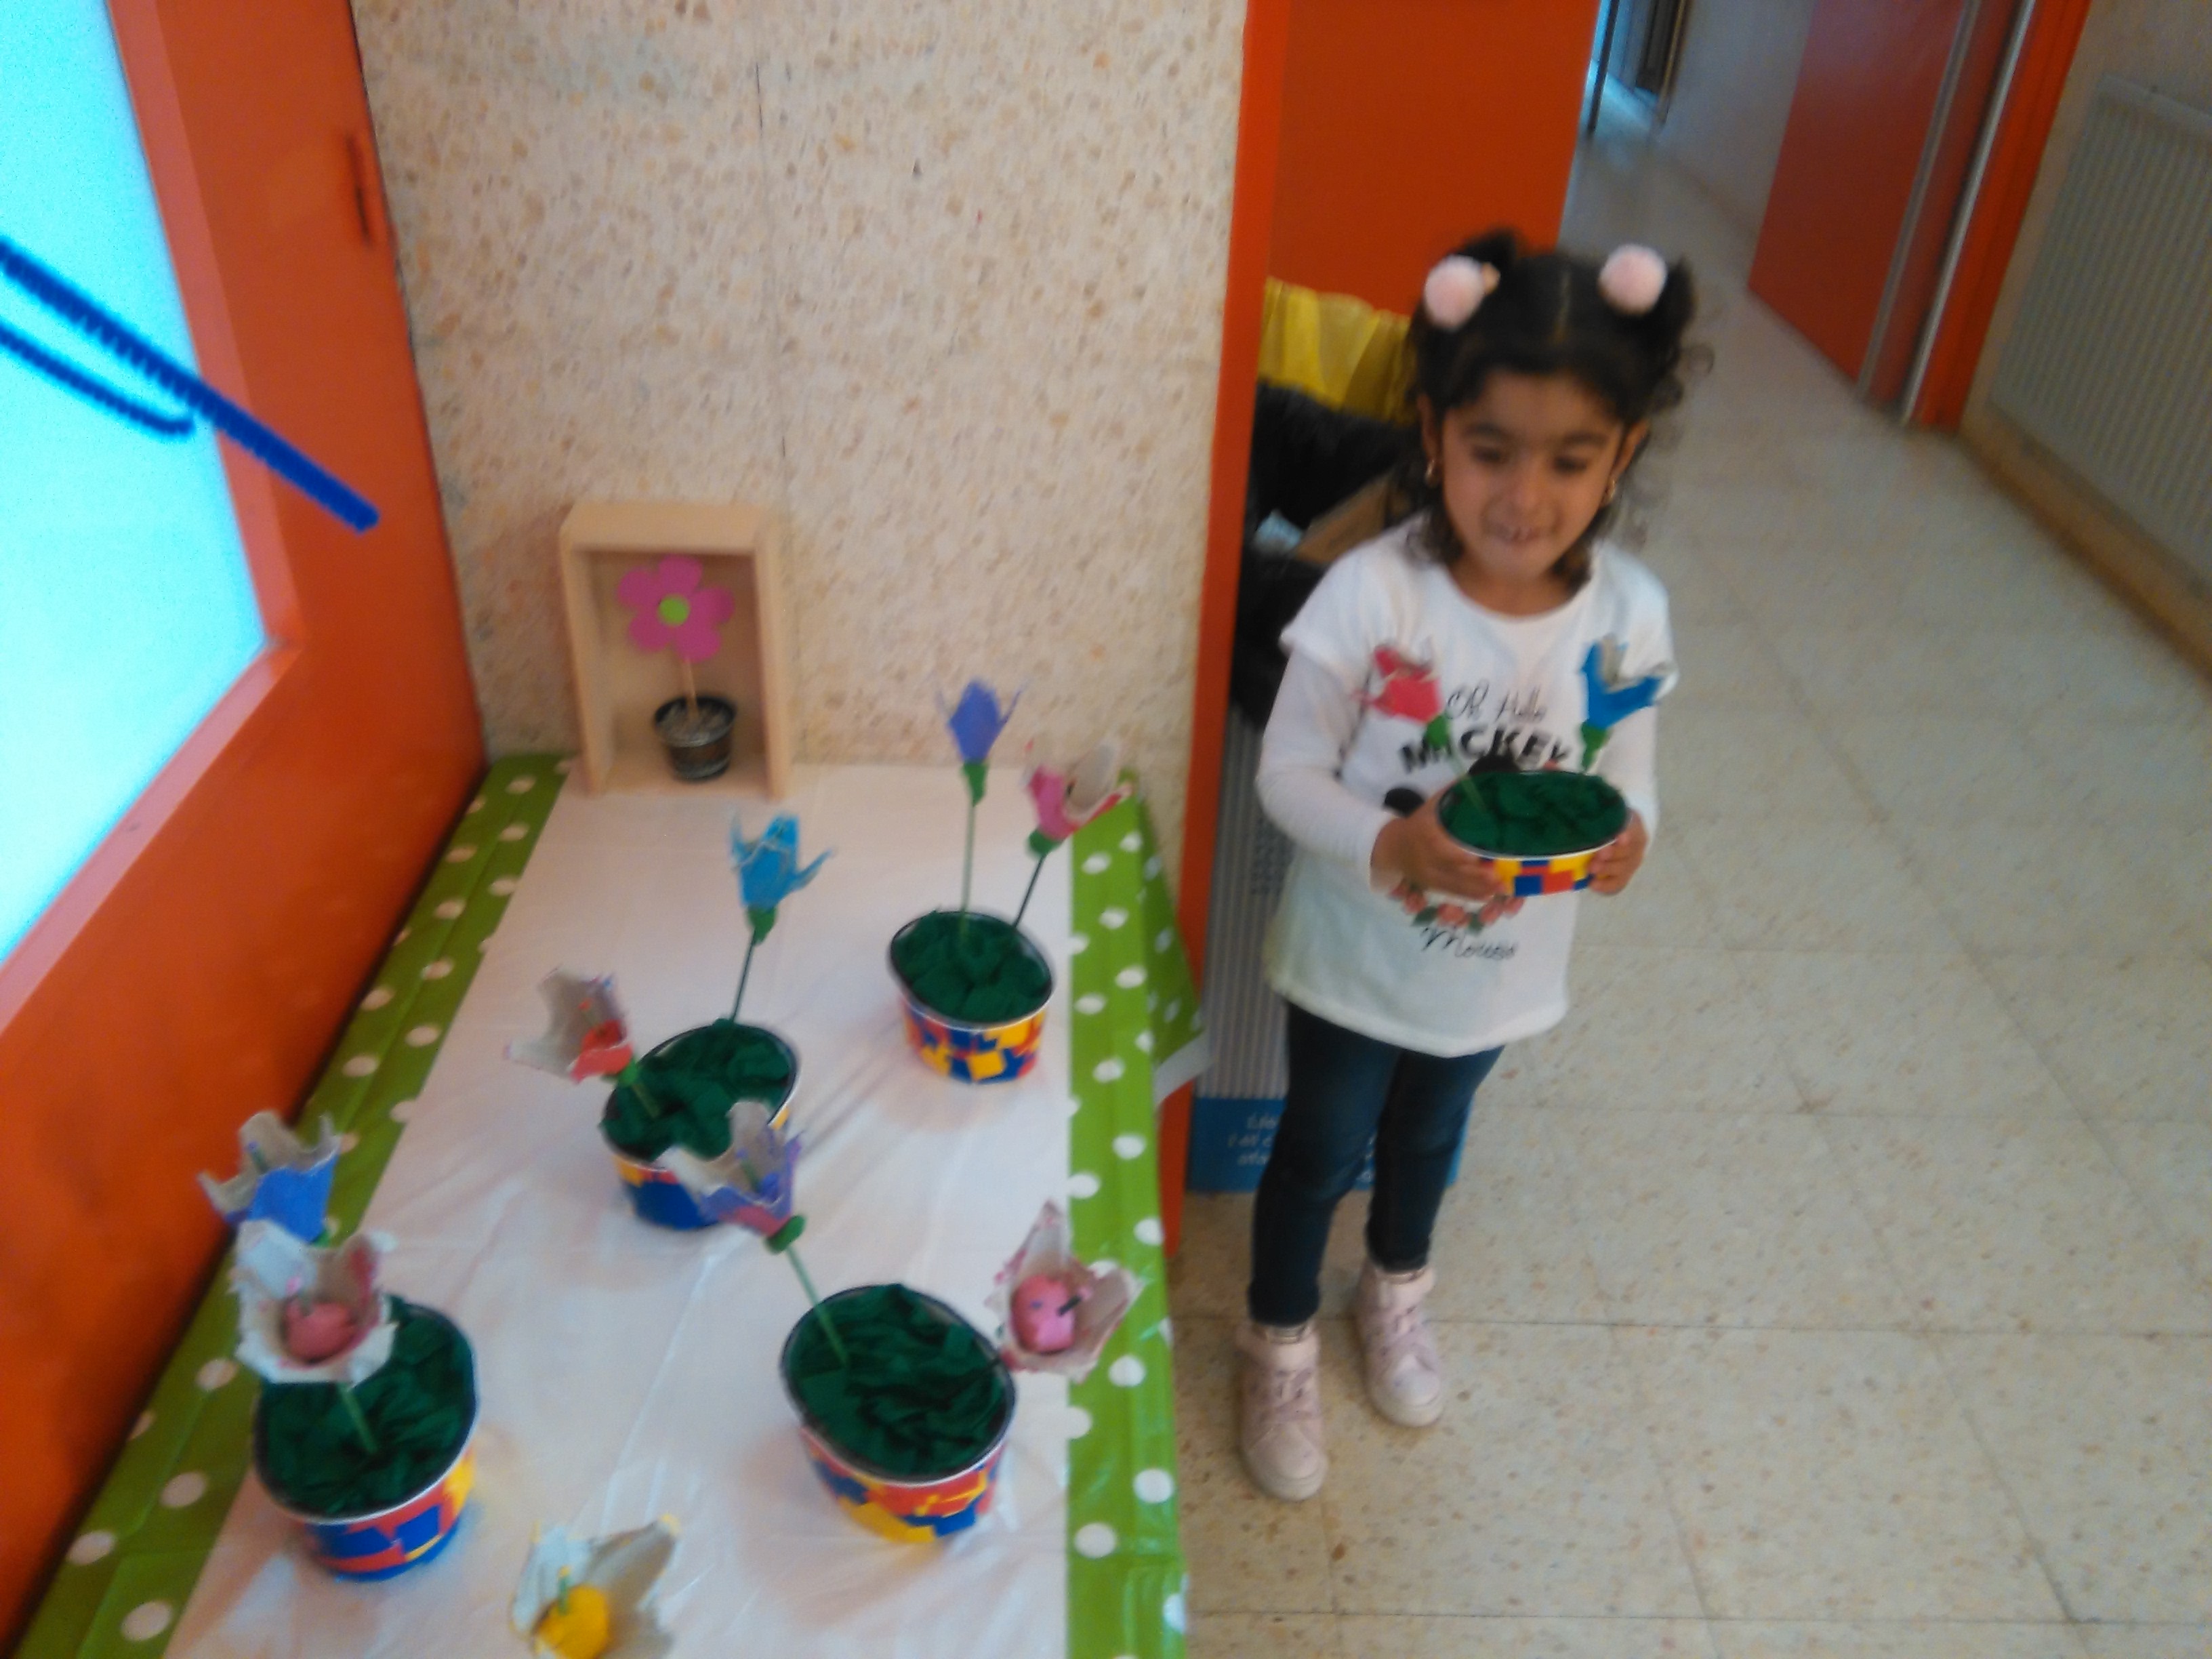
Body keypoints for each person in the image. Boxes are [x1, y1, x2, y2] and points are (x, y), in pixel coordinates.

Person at [1240, 228, 1696, 1500]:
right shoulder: (1369, 596)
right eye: (1492, 450)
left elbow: (1630, 769)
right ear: (1434, 434)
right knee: (1319, 1147)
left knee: (1433, 1137)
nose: (1523, 496)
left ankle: (1395, 1291)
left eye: (1570, 459)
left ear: (1623, 454)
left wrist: (1632, 834)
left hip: (1498, 973)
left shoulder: (1629, 616)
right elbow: (1287, 776)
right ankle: (1277, 1336)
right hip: (1354, 961)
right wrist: (1392, 842)